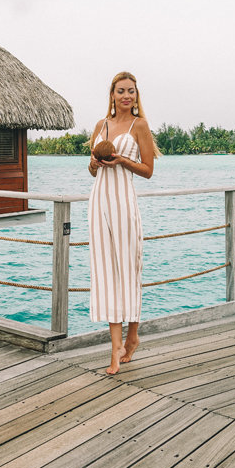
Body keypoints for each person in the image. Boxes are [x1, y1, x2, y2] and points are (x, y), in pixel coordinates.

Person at [88, 71, 159, 375]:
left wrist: (121, 161)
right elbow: (93, 171)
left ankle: (132, 337)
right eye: (121, 91)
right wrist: (95, 162)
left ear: (136, 95)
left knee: (129, 269)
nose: (126, 96)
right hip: (99, 202)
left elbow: (147, 170)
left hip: (124, 203)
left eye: (131, 91)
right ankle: (115, 350)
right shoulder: (100, 126)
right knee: (105, 273)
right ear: (112, 95)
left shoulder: (139, 125)